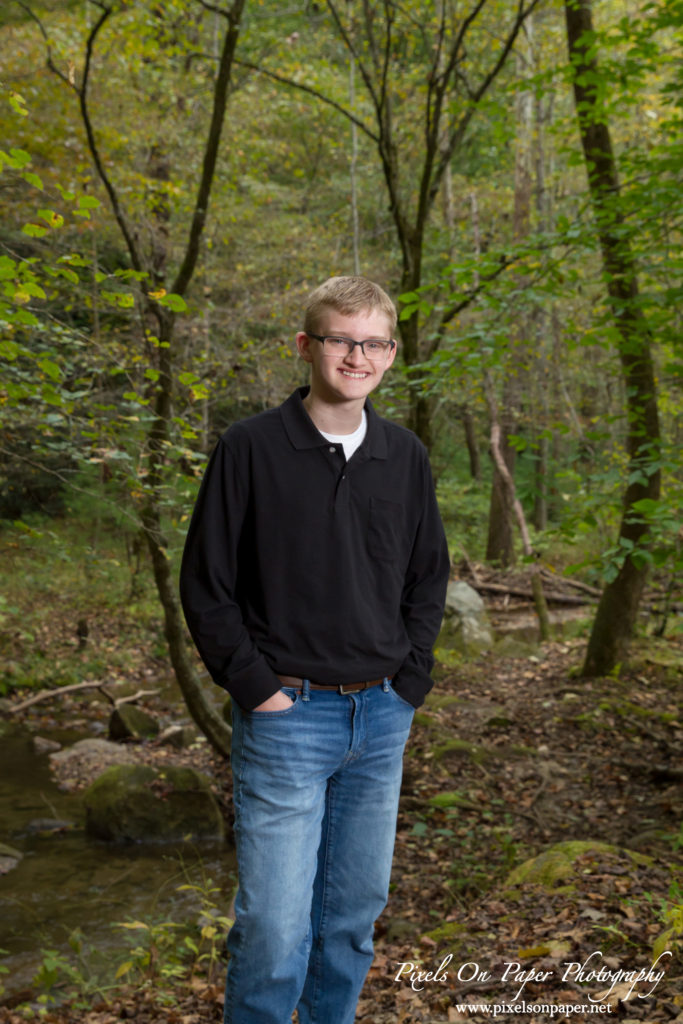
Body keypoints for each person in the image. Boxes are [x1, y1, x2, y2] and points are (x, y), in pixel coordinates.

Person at [179, 276, 450, 1024]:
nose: (355, 355)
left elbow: (429, 577)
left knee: (350, 920)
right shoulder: (250, 448)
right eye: (339, 339)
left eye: (372, 342)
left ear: (390, 355)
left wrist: (410, 680)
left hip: (381, 716)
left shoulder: (404, 456)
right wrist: (256, 688)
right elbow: (206, 582)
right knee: (271, 929)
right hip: (287, 714)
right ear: (306, 347)